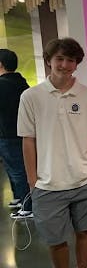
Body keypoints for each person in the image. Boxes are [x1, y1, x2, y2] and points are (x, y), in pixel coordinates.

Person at [17, 38, 87, 268]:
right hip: (48, 184)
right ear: (48, 61)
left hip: (85, 180)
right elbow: (28, 140)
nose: (65, 65)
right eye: (60, 59)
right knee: (55, 240)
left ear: (77, 64)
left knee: (85, 232)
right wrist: (32, 181)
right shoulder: (31, 97)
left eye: (71, 60)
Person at [0, 49, 32, 219]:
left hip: (8, 134)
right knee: (18, 169)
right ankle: (21, 199)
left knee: (18, 171)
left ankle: (28, 206)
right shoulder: (21, 82)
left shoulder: (2, 84)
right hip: (20, 133)